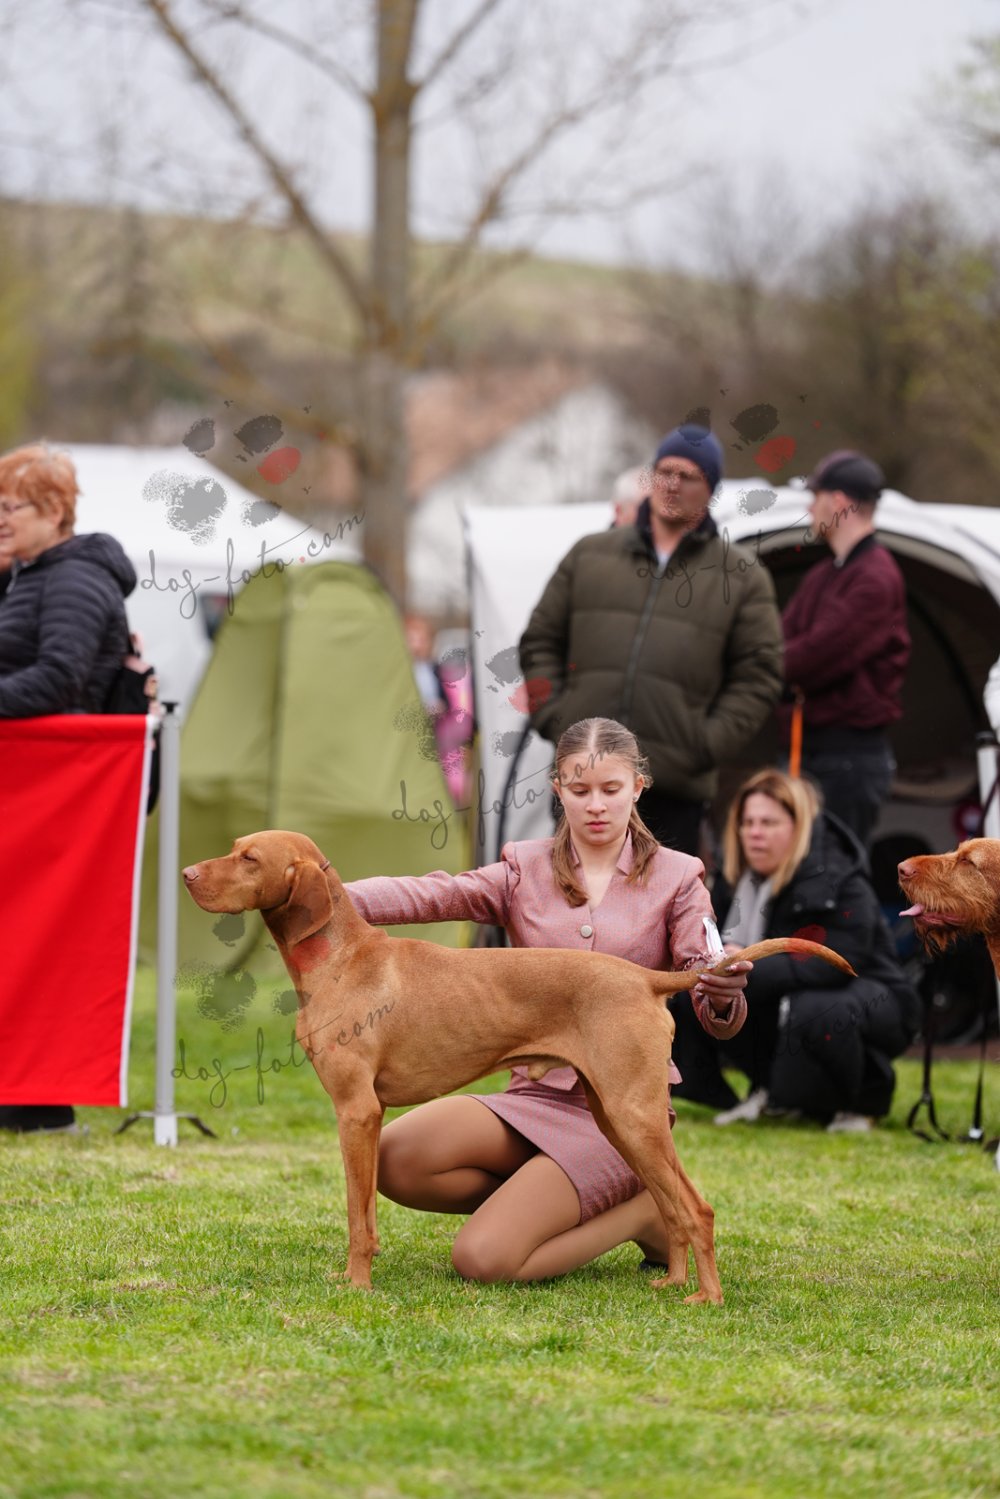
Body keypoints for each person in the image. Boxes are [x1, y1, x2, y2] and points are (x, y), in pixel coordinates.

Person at [344, 716, 752, 1284]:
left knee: (484, 1260)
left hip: (617, 1115)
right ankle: (550, 1201)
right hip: (531, 1100)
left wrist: (723, 993)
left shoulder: (679, 877)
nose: (596, 805)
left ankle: (641, 1212)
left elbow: (704, 985)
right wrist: (323, 892)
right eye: (579, 790)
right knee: (395, 1158)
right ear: (558, 790)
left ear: (638, 786)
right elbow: (432, 893)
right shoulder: (524, 867)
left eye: (611, 789)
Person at [519, 424, 784, 856]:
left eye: (688, 476)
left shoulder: (742, 576)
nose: (672, 484)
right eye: (665, 471)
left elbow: (759, 677)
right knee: (572, 894)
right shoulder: (590, 554)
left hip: (674, 788)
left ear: (711, 489)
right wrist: (558, 719)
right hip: (585, 781)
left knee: (659, 900)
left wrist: (703, 744)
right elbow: (539, 642)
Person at [0, 442, 138, 1134]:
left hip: (61, 790)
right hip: (36, 786)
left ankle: (42, 1099)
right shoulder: (28, 576)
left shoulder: (75, 579)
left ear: (54, 512)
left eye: (11, 506)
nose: (0, 518)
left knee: (47, 942)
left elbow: (59, 679)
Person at [670, 768, 919, 1134]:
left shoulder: (839, 878)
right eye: (748, 822)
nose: (755, 833)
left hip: (874, 997)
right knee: (708, 989)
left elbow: (834, 963)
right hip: (797, 989)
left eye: (768, 822)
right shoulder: (734, 880)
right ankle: (766, 1090)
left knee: (813, 1008)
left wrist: (745, 962)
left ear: (798, 827)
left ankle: (859, 1103)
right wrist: (722, 968)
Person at [781, 449, 910, 847]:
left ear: (837, 501)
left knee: (833, 872)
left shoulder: (875, 578)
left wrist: (773, 668)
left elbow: (809, 658)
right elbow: (777, 644)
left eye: (814, 496)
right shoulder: (823, 574)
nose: (809, 508)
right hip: (809, 751)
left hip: (849, 760)